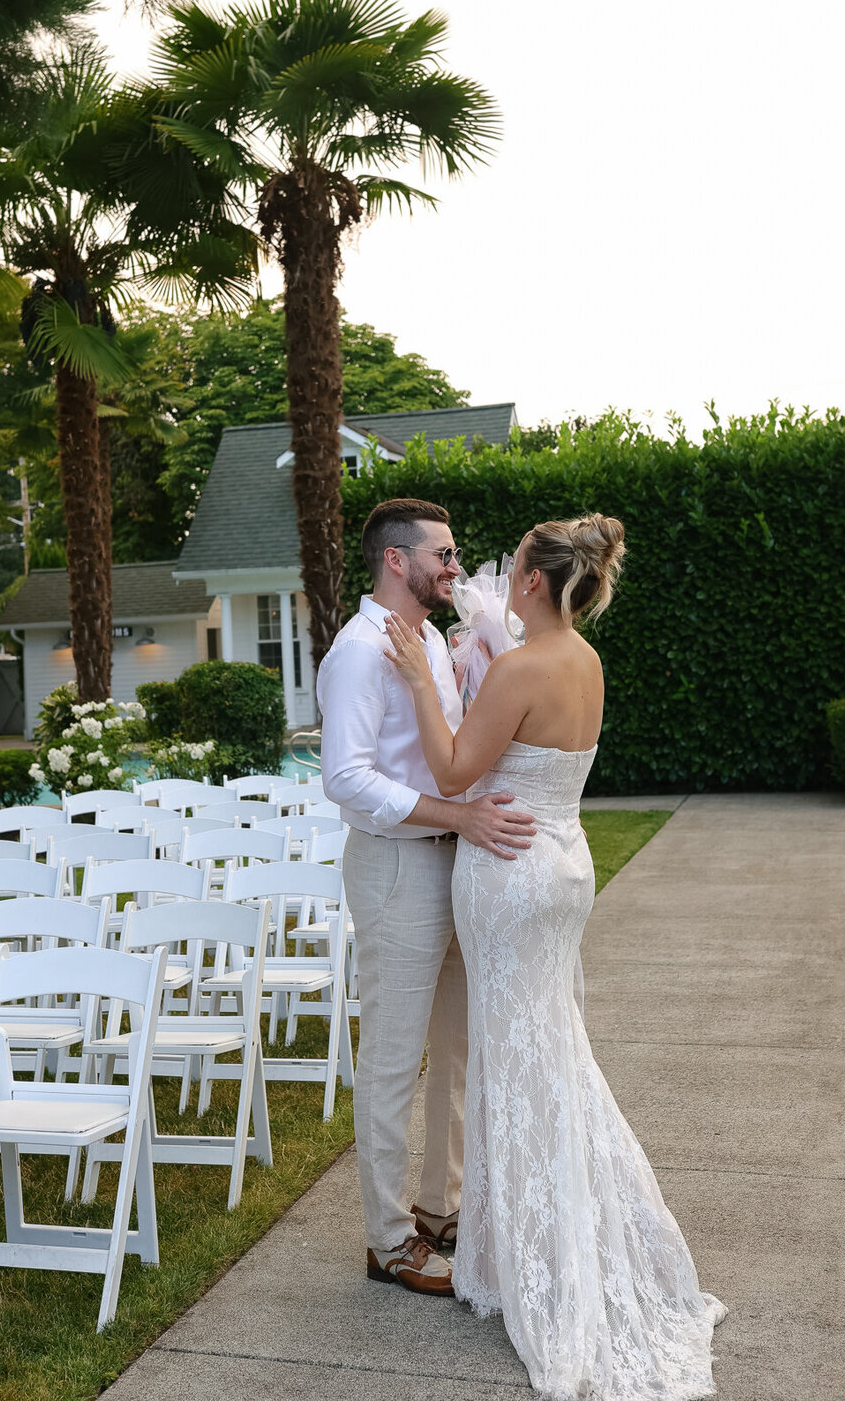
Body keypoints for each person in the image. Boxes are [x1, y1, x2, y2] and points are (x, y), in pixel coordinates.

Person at [383, 515, 725, 1399]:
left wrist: (424, 677)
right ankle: (529, 1239)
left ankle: (542, 1256)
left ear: (531, 581)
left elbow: (456, 772)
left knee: (523, 1059)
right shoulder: (581, 660)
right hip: (562, 860)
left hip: (511, 873)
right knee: (546, 1050)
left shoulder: (522, 667)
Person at [317, 497, 538, 1297]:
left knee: (455, 1048)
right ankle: (387, 1241)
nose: (456, 566)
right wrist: (459, 816)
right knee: (391, 1061)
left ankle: (440, 1209)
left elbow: (445, 749)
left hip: (456, 866)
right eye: (442, 555)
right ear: (396, 561)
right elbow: (345, 777)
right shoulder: (358, 652)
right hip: (398, 869)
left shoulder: (430, 647)